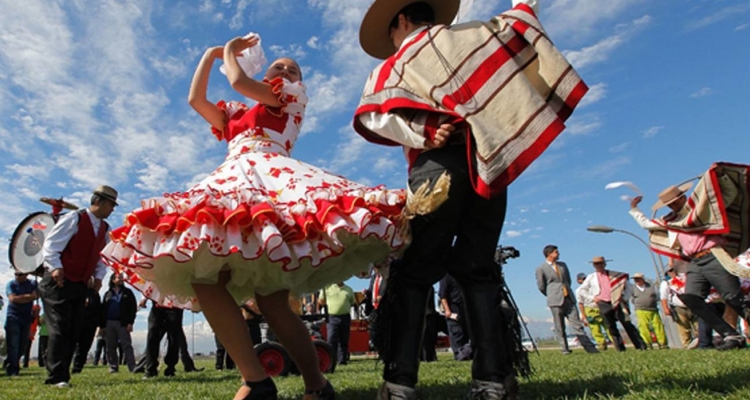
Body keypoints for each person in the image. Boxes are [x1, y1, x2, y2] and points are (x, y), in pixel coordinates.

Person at [100, 33, 406, 400]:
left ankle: (316, 383)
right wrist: (210, 54)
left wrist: (229, 52)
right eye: (279, 66)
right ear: (267, 71)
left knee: (274, 302)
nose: (287, 71)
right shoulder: (236, 112)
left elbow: (238, 80)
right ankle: (257, 380)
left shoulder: (290, 98)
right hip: (234, 178)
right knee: (205, 279)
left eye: (294, 70)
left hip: (273, 181)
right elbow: (195, 100)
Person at [352, 0, 577, 397]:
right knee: (478, 267)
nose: (393, 41)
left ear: (401, 20)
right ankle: (492, 380)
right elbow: (521, 22)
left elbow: (374, 114)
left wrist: (423, 133)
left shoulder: (396, 64)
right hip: (487, 162)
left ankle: (400, 383)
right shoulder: (474, 35)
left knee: (415, 269)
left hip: (436, 169)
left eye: (392, 33)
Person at [629, 174, 750, 350]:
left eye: (675, 202)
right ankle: (730, 334)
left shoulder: (701, 210)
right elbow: (647, 224)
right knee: (691, 297)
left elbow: (728, 197)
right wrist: (634, 209)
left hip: (714, 255)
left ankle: (735, 334)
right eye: (669, 204)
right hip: (695, 262)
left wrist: (722, 177)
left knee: (733, 297)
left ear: (683, 197)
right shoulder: (671, 221)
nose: (673, 205)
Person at [40, 185, 117, 387]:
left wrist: (99, 277)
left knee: (74, 329)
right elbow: (51, 245)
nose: (113, 209)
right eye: (111, 204)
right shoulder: (74, 218)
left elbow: (102, 257)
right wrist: (56, 267)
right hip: (58, 281)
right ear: (98, 201)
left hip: (80, 284)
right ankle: (56, 377)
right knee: (59, 326)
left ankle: (63, 374)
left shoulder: (105, 229)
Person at [535, 245, 598, 354]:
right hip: (555, 300)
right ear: (549, 254)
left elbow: (568, 280)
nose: (558, 253)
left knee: (577, 324)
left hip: (568, 298)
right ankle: (565, 349)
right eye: (556, 252)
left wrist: (566, 291)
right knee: (559, 325)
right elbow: (541, 286)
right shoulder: (541, 268)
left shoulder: (563, 265)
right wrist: (551, 294)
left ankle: (590, 348)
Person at [578, 257, 646, 351]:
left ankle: (640, 346)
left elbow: (629, 287)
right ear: (594, 266)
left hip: (617, 301)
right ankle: (620, 348)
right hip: (603, 303)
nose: (599, 265)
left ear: (605, 264)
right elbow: (582, 290)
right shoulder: (591, 277)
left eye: (601, 263)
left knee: (627, 323)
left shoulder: (615, 275)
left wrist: (624, 298)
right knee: (611, 326)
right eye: (596, 264)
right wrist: (593, 298)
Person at [101, 272, 137, 373]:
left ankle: (132, 367)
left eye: (122, 277)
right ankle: (113, 367)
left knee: (127, 345)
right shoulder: (107, 294)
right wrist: (102, 326)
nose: (120, 279)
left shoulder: (128, 293)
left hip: (123, 323)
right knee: (110, 346)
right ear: (113, 280)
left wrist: (130, 322)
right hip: (109, 323)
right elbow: (103, 310)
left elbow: (132, 308)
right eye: (118, 277)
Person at [4, 271, 38, 376]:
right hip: (13, 317)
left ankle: (10, 361)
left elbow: (37, 295)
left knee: (22, 346)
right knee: (13, 344)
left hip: (27, 318)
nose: (17, 276)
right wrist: (30, 297)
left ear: (26, 274)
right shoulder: (11, 284)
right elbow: (13, 299)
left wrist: (22, 298)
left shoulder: (33, 283)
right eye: (16, 274)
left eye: (20, 274)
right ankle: (13, 369)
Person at [660, 265, 698, 349]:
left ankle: (701, 342)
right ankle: (687, 345)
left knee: (698, 326)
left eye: (673, 270)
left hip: (692, 304)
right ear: (667, 273)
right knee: (684, 328)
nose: (672, 272)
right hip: (678, 307)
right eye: (670, 271)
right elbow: (663, 297)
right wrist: (665, 308)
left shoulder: (684, 278)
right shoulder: (666, 283)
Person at [318, 282, 355, 366]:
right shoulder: (327, 287)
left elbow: (352, 302)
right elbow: (321, 301)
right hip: (332, 317)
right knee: (331, 339)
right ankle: (331, 360)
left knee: (344, 339)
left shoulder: (349, 289)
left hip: (345, 317)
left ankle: (342, 360)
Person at [630, 273, 668, 349]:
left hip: (653, 309)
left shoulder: (651, 286)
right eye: (635, 279)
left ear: (643, 279)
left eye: (638, 278)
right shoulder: (632, 288)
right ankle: (647, 344)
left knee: (658, 326)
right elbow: (632, 299)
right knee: (643, 327)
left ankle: (662, 343)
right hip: (640, 310)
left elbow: (657, 296)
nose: (636, 280)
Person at [438, 274, 471, 360]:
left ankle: (466, 354)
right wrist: (448, 311)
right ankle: (459, 356)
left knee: (467, 335)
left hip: (466, 308)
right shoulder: (446, 276)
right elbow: (443, 295)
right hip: (453, 309)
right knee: (457, 335)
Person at [575, 273, 610, 351]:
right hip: (589, 309)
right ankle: (602, 345)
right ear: (578, 281)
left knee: (608, 326)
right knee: (595, 329)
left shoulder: (594, 287)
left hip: (600, 307)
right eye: (582, 279)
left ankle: (615, 342)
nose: (584, 280)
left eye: (585, 279)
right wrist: (583, 316)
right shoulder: (579, 291)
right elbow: (580, 303)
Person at [72, 285, 102, 373]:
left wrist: (99, 324)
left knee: (84, 346)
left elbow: (98, 309)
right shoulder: (76, 290)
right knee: (71, 345)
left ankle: (77, 368)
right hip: (76, 321)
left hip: (90, 324)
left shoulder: (95, 294)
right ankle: (64, 366)